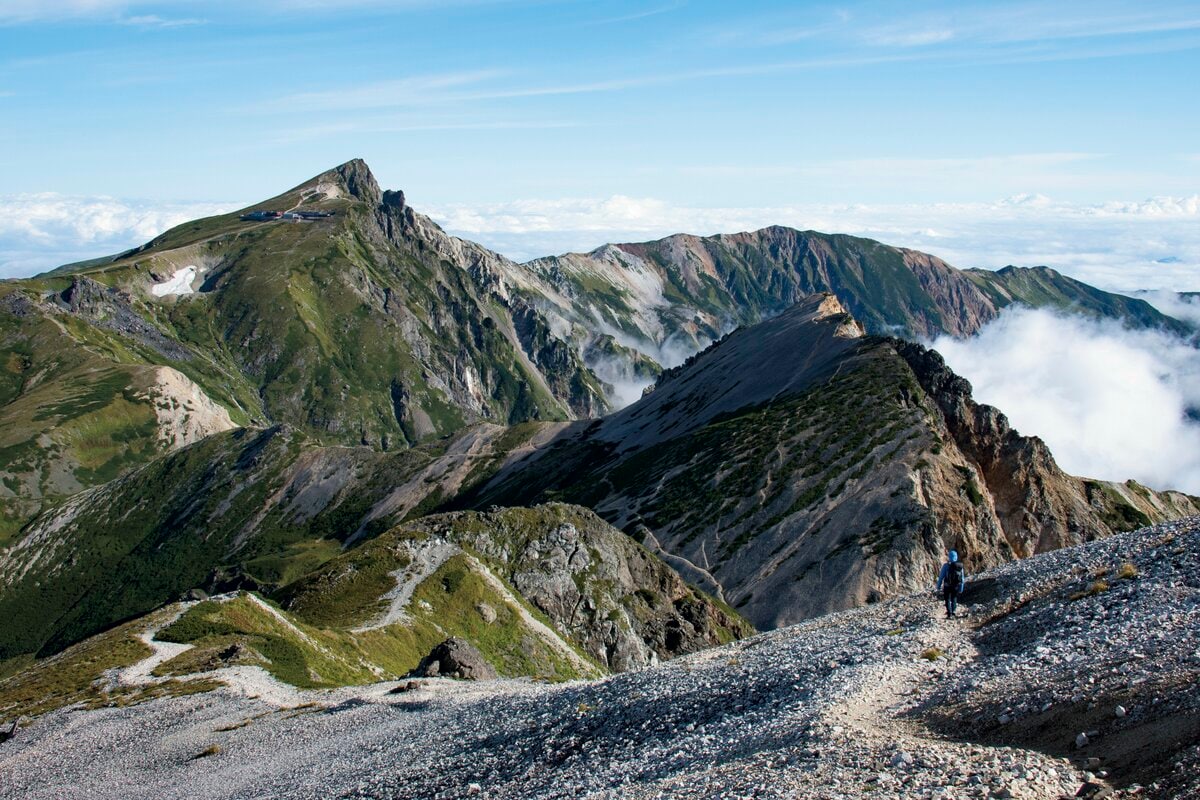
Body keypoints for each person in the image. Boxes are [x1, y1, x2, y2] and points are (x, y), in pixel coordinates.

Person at [936, 550, 966, 618]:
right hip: (955, 586)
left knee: (947, 599)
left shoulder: (946, 566)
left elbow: (941, 577)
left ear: (949, 557)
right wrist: (961, 588)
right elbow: (962, 579)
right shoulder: (959, 566)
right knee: (954, 598)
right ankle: (953, 611)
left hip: (947, 585)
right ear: (956, 557)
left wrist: (938, 586)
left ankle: (949, 613)